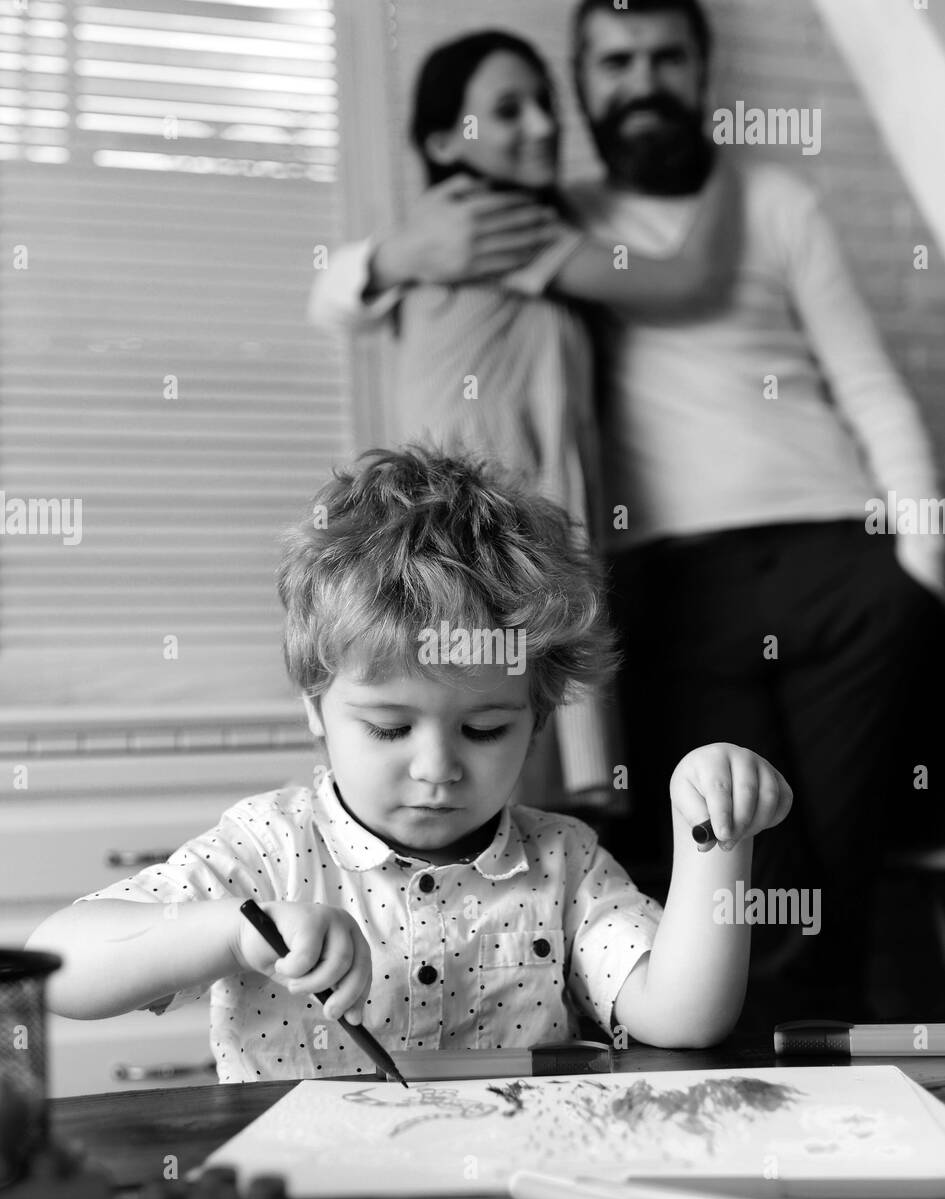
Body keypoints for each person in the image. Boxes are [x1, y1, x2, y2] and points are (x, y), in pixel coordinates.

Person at [317, 0, 945, 1025]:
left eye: (665, 56)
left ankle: (850, 1097)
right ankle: (746, 1077)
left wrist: (922, 557)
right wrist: (388, 256)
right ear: (588, 83)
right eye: (616, 61)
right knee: (736, 846)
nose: (643, 77)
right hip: (671, 583)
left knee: (848, 849)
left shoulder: (773, 199)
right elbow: (342, 297)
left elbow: (870, 387)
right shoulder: (545, 212)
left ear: (701, 70)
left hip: (840, 555)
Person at [29, 447, 792, 1080]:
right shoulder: (269, 848)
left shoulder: (562, 861)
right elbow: (57, 965)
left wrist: (714, 838)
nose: (437, 768)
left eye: (486, 728)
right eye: (390, 729)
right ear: (315, 706)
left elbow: (684, 1020)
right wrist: (233, 933)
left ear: (537, 721)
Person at [310, 27, 736, 808]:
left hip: (486, 526)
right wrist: (727, 168)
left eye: (543, 103)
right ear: (445, 139)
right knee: (496, 756)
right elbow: (687, 280)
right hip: (489, 534)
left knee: (492, 756)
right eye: (506, 111)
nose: (541, 126)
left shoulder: (478, 226)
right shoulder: (488, 221)